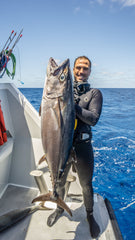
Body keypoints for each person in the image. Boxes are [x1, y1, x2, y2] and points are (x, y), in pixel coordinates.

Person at [47, 56, 103, 238]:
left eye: (85, 68)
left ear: (89, 71)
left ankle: (90, 215)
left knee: (86, 185)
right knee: (60, 182)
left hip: (83, 147)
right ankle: (59, 207)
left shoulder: (94, 94)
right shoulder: (66, 91)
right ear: (73, 71)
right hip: (63, 146)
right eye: (78, 68)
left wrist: (69, 102)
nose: (80, 71)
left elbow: (93, 119)